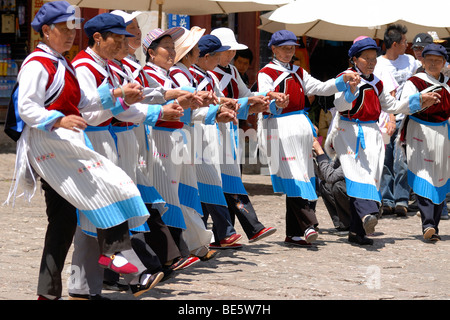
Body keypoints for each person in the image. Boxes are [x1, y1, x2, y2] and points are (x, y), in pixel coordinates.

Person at [5, 2, 154, 300]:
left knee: (63, 221)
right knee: (110, 182)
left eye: (72, 27)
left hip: (64, 143)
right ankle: (112, 253)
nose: (71, 34)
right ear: (46, 31)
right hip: (49, 145)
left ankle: (47, 293)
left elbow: (83, 101)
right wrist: (58, 118)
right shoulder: (38, 63)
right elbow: (27, 107)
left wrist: (116, 93)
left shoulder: (62, 62)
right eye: (64, 28)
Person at [70, 12, 167, 298]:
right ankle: (135, 272)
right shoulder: (84, 67)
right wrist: (122, 99)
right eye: (119, 38)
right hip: (92, 141)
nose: (123, 44)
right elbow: (88, 114)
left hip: (110, 140)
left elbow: (124, 106)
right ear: (98, 38)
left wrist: (156, 107)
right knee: (104, 210)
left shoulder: (108, 66)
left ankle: (83, 285)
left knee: (96, 215)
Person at [326, 36, 441, 245]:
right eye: (365, 58)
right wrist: (350, 90)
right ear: (354, 59)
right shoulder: (346, 77)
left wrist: (419, 100)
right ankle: (368, 212)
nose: (371, 62)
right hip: (349, 131)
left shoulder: (377, 83)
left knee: (370, 176)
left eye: (373, 58)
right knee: (357, 176)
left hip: (371, 133)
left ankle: (356, 232)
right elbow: (340, 105)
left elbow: (394, 106)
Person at [256, 30, 360, 246]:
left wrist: (343, 80)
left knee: (304, 175)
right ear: (273, 49)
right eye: (284, 47)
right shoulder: (266, 72)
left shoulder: (298, 71)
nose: (288, 51)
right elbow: (264, 96)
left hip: (299, 128)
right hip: (280, 127)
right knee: (295, 176)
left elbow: (321, 88)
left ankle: (294, 233)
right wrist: (275, 99)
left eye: (291, 47)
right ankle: (308, 224)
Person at [142, 27, 216, 268]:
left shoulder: (167, 76)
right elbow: (151, 103)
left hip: (177, 135)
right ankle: (173, 252)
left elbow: (180, 104)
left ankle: (190, 244)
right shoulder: (146, 75)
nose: (173, 52)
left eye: (174, 48)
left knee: (185, 191)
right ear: (151, 53)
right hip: (160, 136)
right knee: (167, 193)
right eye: (167, 48)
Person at [209, 27, 279, 244]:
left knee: (229, 180)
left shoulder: (231, 71)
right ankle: (240, 229)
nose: (231, 55)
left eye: (232, 51)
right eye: (227, 51)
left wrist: (266, 97)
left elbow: (246, 94)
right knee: (219, 181)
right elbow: (217, 101)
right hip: (213, 130)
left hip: (230, 130)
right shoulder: (210, 73)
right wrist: (247, 103)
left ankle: (227, 233)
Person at [189, 34, 245, 249]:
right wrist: (219, 106)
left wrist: (228, 103)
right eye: (218, 55)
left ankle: (212, 234)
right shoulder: (191, 75)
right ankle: (221, 231)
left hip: (213, 130)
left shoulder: (210, 76)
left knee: (210, 181)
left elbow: (217, 97)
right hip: (196, 131)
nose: (222, 58)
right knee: (204, 181)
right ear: (205, 57)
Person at [399, 43, 449, 241]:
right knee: (423, 174)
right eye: (429, 60)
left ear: (444, 63)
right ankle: (427, 222)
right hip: (419, 132)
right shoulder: (415, 82)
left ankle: (433, 226)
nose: (433, 64)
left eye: (438, 61)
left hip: (442, 134)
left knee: (439, 176)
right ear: (422, 61)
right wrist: (420, 99)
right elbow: (403, 105)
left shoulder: (448, 84)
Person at [374, 24, 420, 217]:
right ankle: (386, 200)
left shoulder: (409, 60)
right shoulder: (377, 64)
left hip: (406, 116)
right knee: (385, 159)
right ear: (394, 44)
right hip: (383, 118)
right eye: (404, 41)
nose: (407, 44)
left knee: (402, 160)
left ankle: (401, 199)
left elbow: (424, 68)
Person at [312, 136, 351, 234]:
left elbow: (331, 177)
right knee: (325, 185)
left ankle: (353, 224)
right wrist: (315, 156)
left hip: (368, 206)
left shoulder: (351, 155)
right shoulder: (340, 156)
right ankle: (343, 224)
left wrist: (320, 152)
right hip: (352, 194)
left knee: (338, 186)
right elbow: (324, 177)